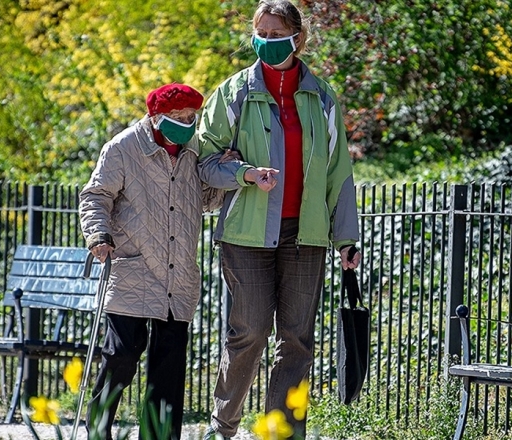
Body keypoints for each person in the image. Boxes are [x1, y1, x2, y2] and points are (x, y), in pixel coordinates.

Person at [197, 1, 362, 438]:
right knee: (249, 332)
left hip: (305, 236)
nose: (267, 42)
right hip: (246, 235)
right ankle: (223, 425)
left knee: (297, 342)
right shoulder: (233, 93)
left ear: (298, 37)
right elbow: (203, 162)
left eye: (275, 34)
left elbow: (339, 172)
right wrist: (243, 174)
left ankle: (283, 432)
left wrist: (346, 238)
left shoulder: (322, 98)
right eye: (261, 34)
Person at [78, 83, 224, 440]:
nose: (187, 123)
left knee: (169, 368)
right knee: (122, 354)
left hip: (178, 274)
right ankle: (98, 430)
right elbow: (95, 196)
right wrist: (98, 235)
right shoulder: (123, 148)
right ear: (155, 117)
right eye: (178, 118)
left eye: (192, 117)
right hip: (133, 267)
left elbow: (207, 199)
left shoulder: (194, 150)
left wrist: (228, 171)